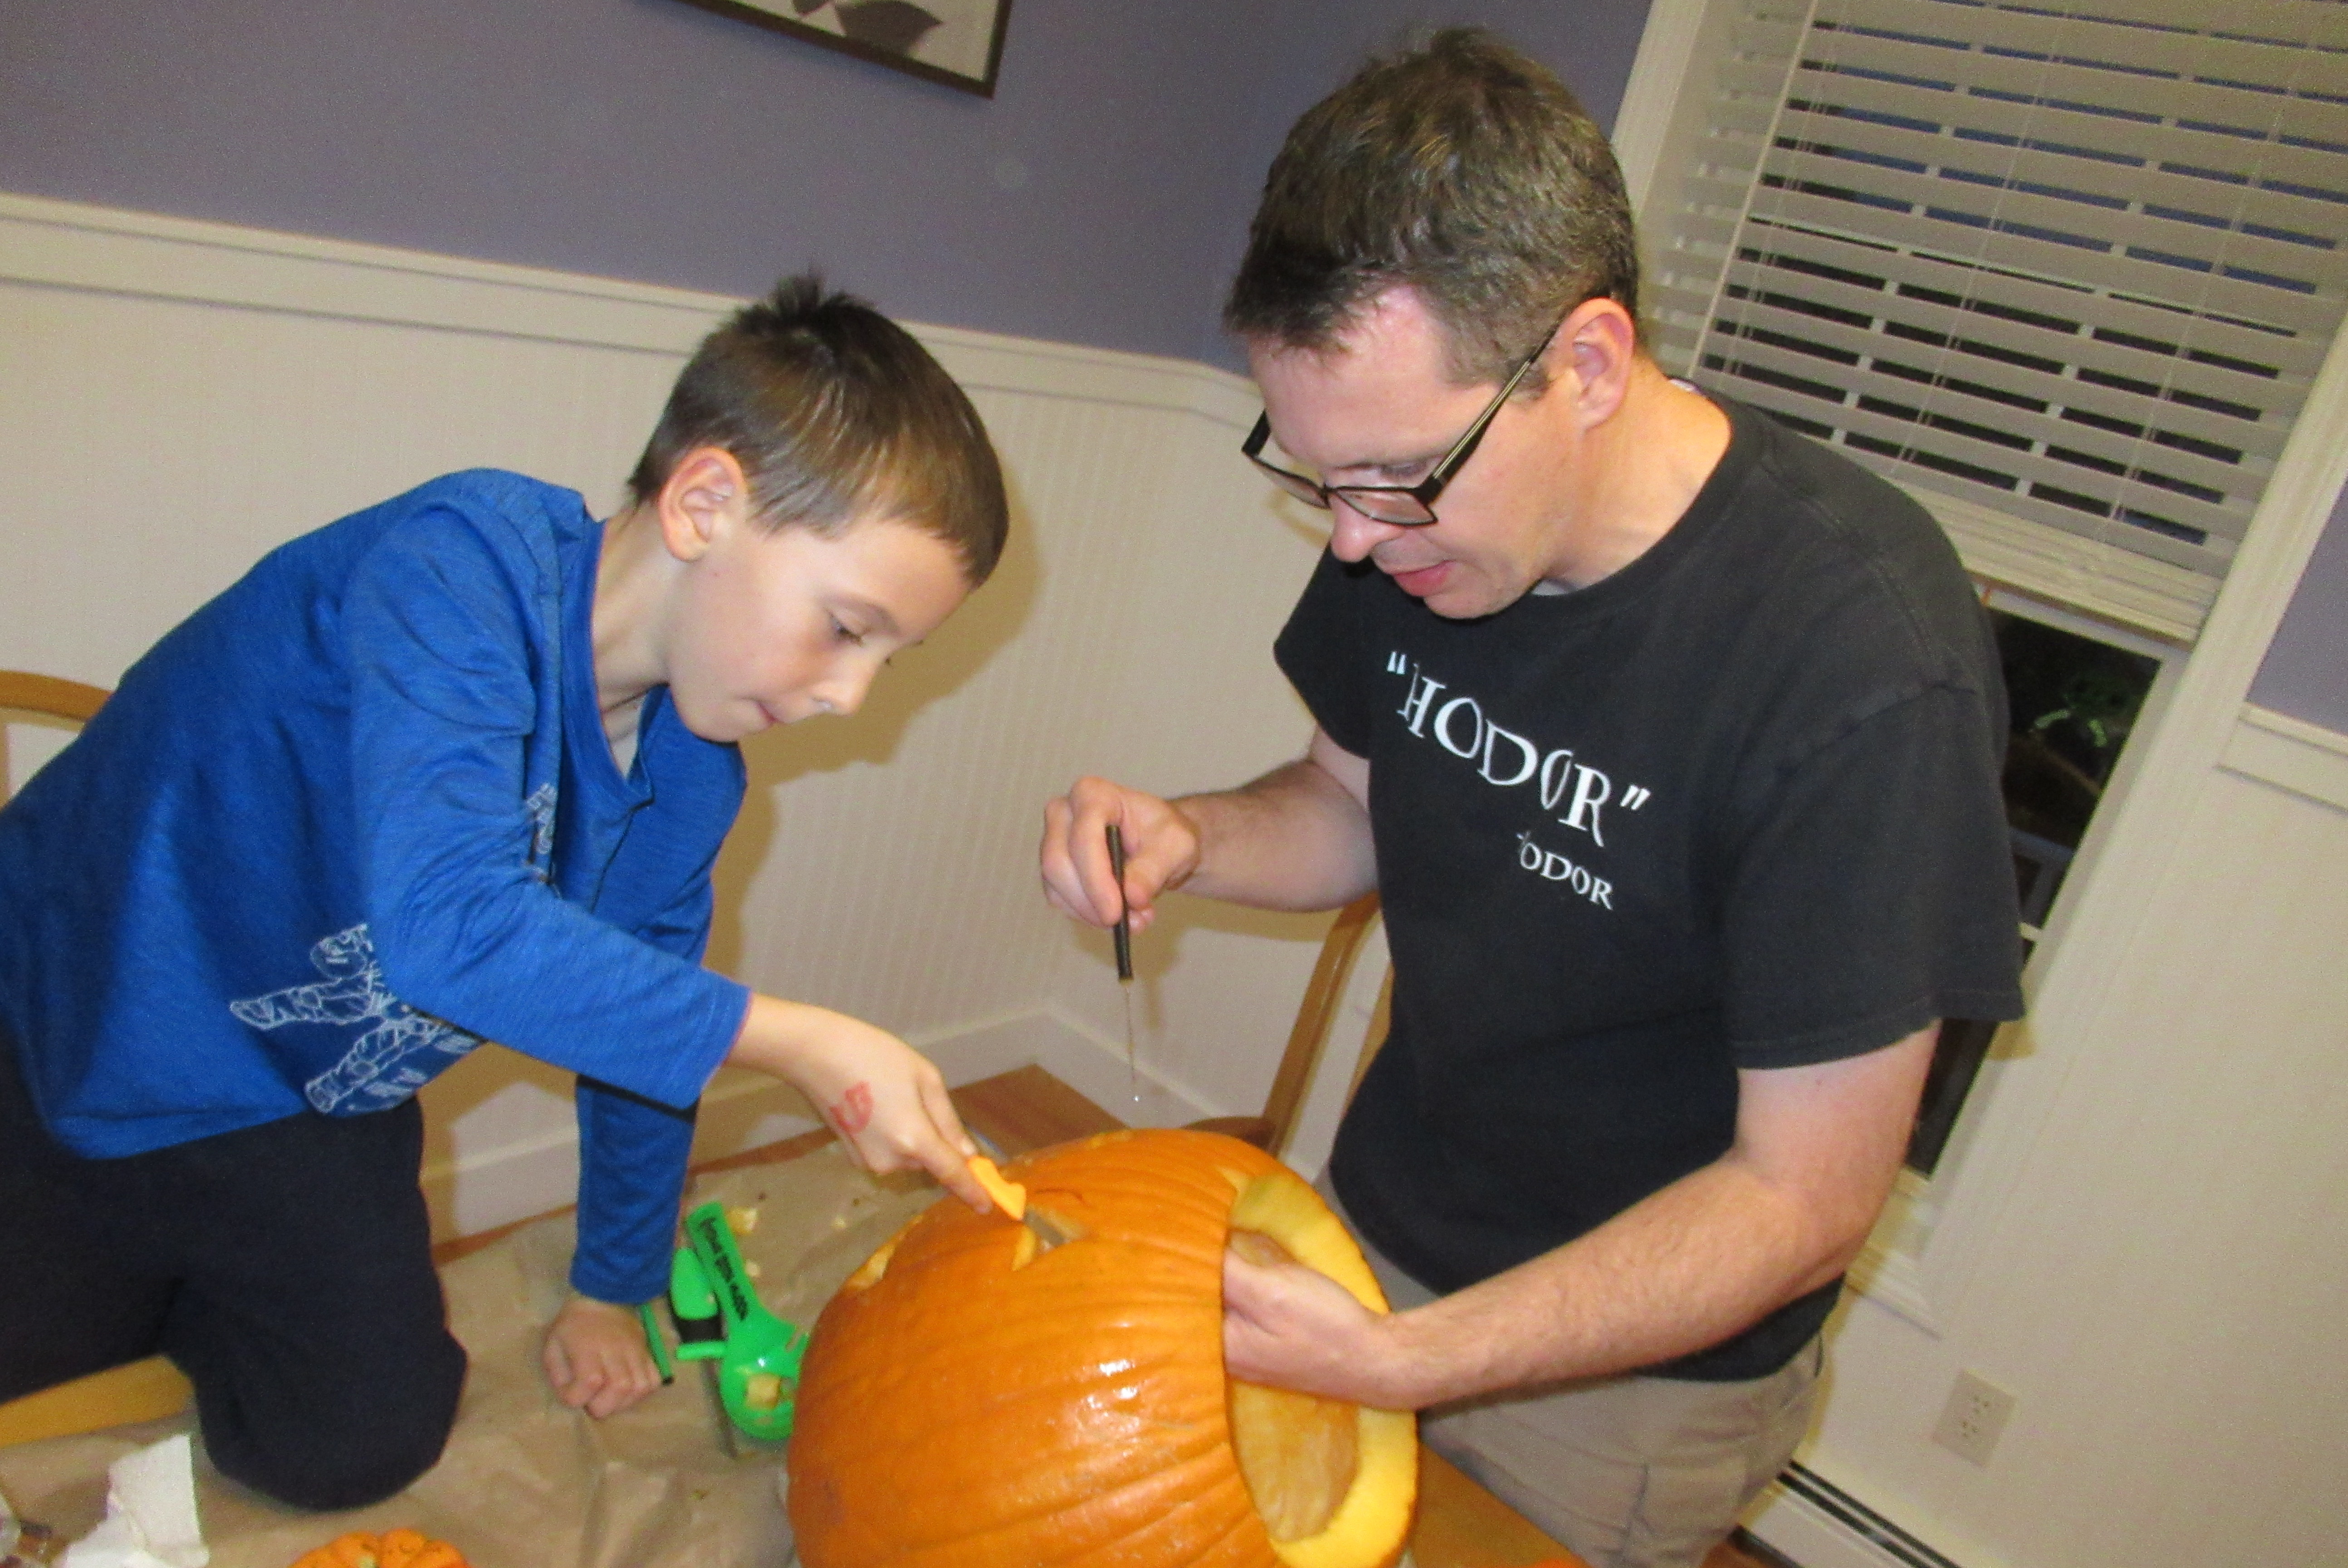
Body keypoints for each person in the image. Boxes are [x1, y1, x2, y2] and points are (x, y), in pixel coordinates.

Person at [1039, 31, 2024, 1568]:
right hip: (1378, 1225)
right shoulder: (1414, 516)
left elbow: (1802, 1200)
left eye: (1393, 477)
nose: (1353, 542)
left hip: (1629, 1383)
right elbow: (1349, 804)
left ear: (1588, 366)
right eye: (1318, 477)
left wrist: (1417, 1363)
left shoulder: (1862, 659)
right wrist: (1195, 836)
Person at [0, 275, 1003, 1511]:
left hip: (306, 1096)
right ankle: (135, 1275)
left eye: (889, 656)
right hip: (65, 1031)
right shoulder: (460, 567)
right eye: (846, 628)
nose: (851, 696)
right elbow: (450, 931)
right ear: (705, 504)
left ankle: (169, 1284)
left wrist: (614, 1281)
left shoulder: (691, 778)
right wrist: (796, 1037)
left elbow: (645, 1039)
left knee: (361, 1442)